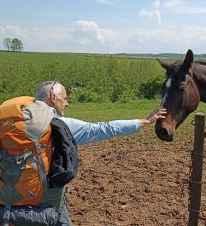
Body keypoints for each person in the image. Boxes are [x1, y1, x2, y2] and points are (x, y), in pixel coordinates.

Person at [35, 80, 167, 225]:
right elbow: (103, 128)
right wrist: (144, 121)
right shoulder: (61, 125)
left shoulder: (14, 123)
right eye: (64, 98)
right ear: (54, 98)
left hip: (13, 200)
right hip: (48, 198)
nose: (66, 103)